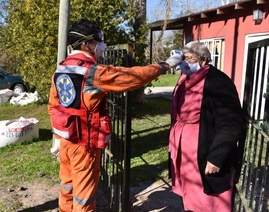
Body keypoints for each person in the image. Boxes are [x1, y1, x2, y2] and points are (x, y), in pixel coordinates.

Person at [48, 18, 172, 211]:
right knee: (84, 197)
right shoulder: (92, 72)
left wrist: (57, 137)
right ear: (85, 44)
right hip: (84, 145)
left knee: (67, 186)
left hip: (66, 141)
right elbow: (133, 77)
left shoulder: (61, 68)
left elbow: (54, 105)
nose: (101, 45)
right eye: (97, 40)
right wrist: (164, 66)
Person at [166, 42, 245, 211]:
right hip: (184, 153)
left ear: (203, 59)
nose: (183, 63)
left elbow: (231, 122)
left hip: (205, 151)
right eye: (182, 59)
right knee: (188, 194)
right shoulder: (184, 79)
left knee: (207, 200)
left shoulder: (218, 82)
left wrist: (217, 157)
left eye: (188, 58)